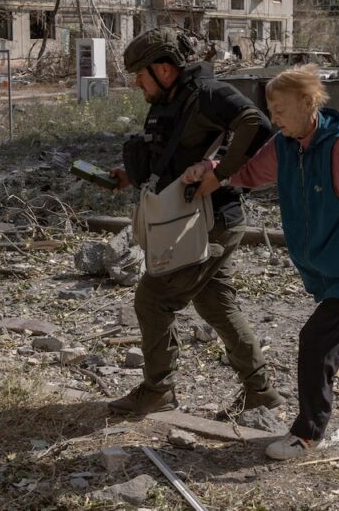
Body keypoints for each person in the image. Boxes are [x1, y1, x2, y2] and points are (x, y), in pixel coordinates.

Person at [182, 64, 339, 459]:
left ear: (307, 103)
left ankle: (307, 432)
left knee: (316, 342)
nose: (274, 117)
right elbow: (248, 172)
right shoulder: (284, 145)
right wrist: (212, 169)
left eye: (280, 108)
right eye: (270, 109)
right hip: (334, 268)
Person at [104, 27, 282, 417]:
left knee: (153, 300)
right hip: (191, 219)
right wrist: (129, 175)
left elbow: (256, 125)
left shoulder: (208, 94)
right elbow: (169, 157)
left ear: (164, 69)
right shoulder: (172, 100)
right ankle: (262, 393)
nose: (137, 83)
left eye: (140, 74)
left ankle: (157, 391)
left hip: (209, 220)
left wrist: (220, 173)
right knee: (216, 303)